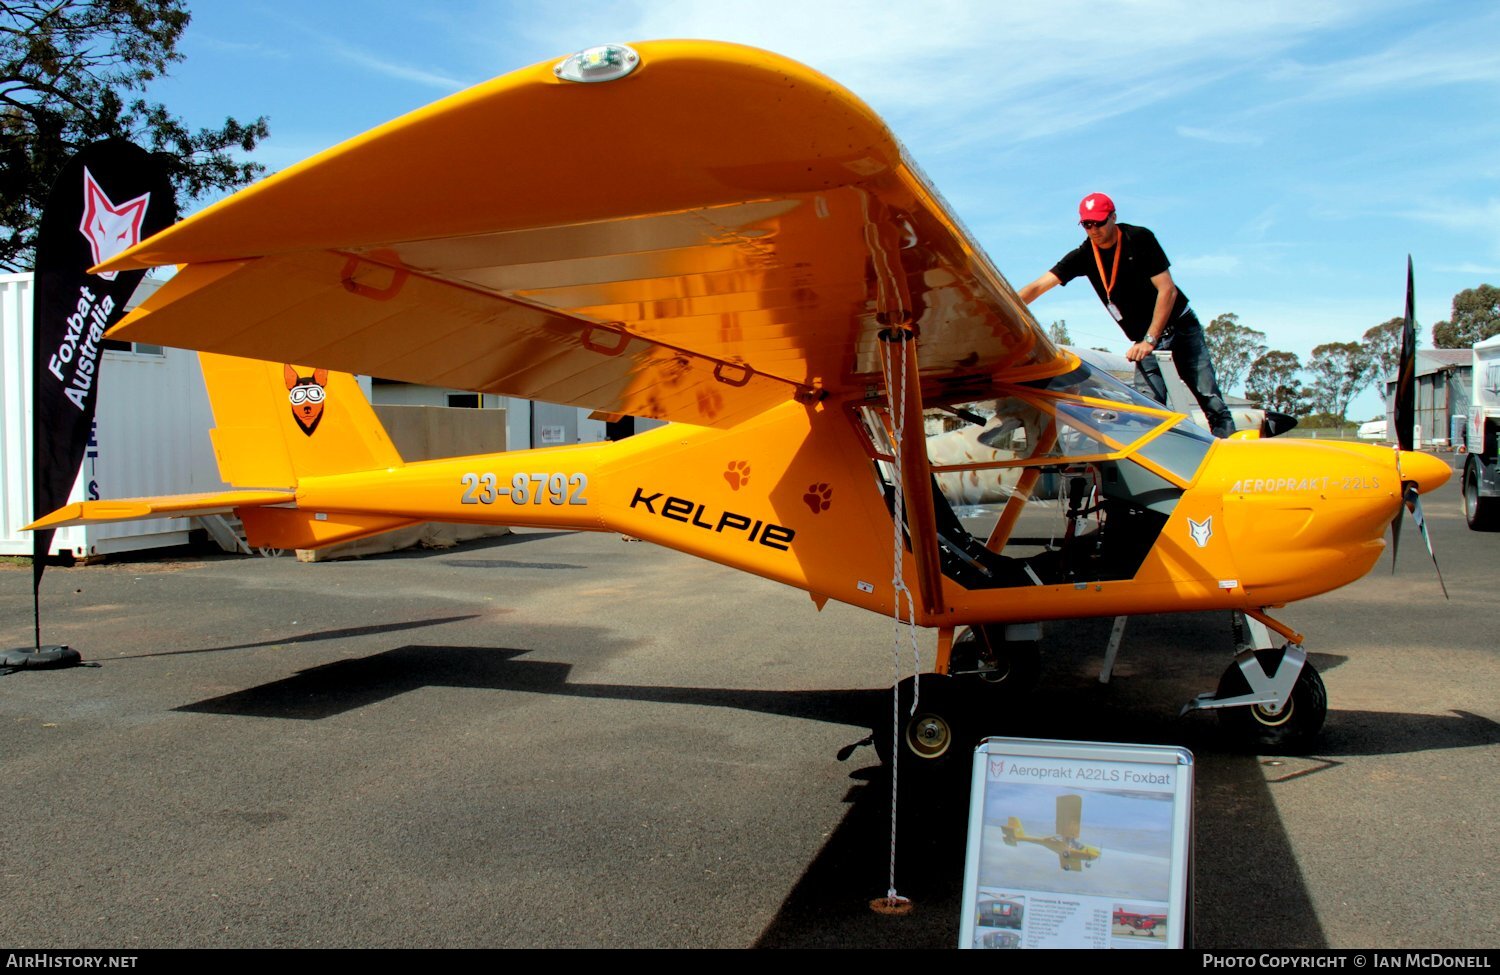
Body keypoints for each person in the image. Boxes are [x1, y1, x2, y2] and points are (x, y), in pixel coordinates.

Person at [1018, 193, 1234, 438]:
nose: (1094, 230)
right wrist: (1004, 309)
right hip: (1145, 342)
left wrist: (1149, 340)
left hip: (1180, 328)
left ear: (1113, 217)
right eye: (1087, 224)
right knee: (1148, 411)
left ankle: (1230, 452)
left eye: (1099, 223)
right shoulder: (1085, 255)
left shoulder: (1139, 238)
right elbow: (1037, 287)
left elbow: (1167, 290)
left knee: (1209, 396)